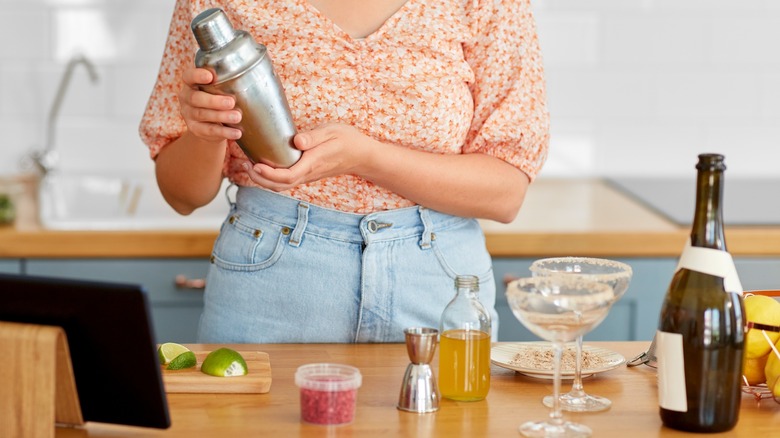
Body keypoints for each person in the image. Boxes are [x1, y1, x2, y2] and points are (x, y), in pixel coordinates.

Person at [139, 0, 549, 343]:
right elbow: (182, 195)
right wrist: (207, 132)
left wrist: (366, 157)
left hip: (438, 286)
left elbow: (505, 192)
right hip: (270, 281)